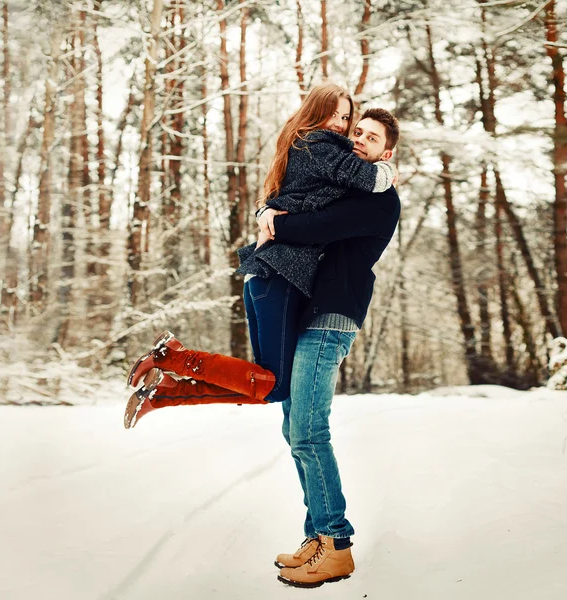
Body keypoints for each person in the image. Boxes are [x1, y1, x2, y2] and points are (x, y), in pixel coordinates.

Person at [123, 84, 396, 429]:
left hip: (268, 275)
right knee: (273, 385)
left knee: (264, 383)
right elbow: (359, 180)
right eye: (338, 117)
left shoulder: (303, 146)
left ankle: (166, 392)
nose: (341, 126)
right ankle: (174, 358)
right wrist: (386, 171)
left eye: (345, 117)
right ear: (315, 111)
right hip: (279, 275)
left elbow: (298, 200)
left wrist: (265, 211)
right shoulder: (320, 145)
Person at [261, 108, 401, 588]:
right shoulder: (353, 186)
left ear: (387, 152)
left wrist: (273, 221)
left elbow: (314, 227)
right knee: (293, 428)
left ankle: (336, 545)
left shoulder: (379, 201)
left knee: (308, 431)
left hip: (331, 319)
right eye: (356, 131)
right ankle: (316, 537)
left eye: (372, 136)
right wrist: (270, 209)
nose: (359, 139)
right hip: (311, 314)